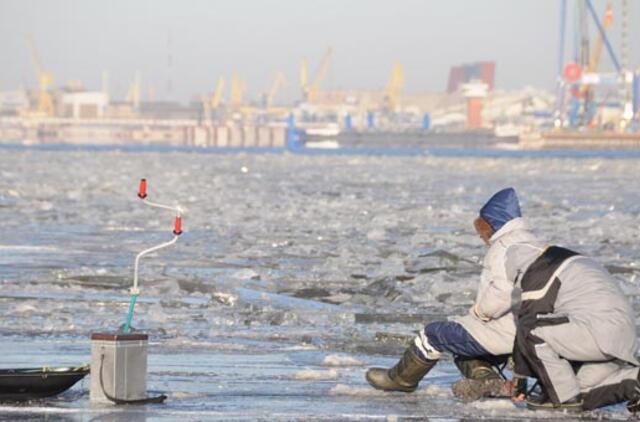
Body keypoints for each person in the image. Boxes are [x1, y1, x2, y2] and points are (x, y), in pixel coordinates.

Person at [366, 187, 543, 400]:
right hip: (535, 331)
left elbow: (502, 292)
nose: (481, 237)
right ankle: (485, 379)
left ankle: (400, 380)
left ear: (492, 223)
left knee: (434, 334)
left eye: (482, 231)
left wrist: (480, 313)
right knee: (461, 343)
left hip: (509, 332)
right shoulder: (536, 243)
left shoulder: (504, 246)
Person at [509, 242, 640, 411]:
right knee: (581, 393)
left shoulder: (541, 271)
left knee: (531, 331)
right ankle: (634, 382)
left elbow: (527, 323)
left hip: (599, 334)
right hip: (621, 340)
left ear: (519, 270)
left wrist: (520, 377)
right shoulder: (574, 263)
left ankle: (564, 400)